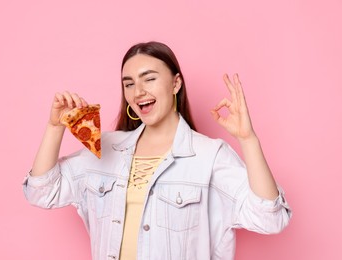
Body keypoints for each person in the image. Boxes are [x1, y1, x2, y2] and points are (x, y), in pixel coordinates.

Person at [23, 41, 291, 260]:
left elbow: (270, 218)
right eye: (128, 84)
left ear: (175, 84)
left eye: (148, 79)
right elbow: (41, 191)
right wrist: (54, 127)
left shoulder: (209, 156)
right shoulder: (106, 148)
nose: (138, 91)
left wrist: (249, 140)